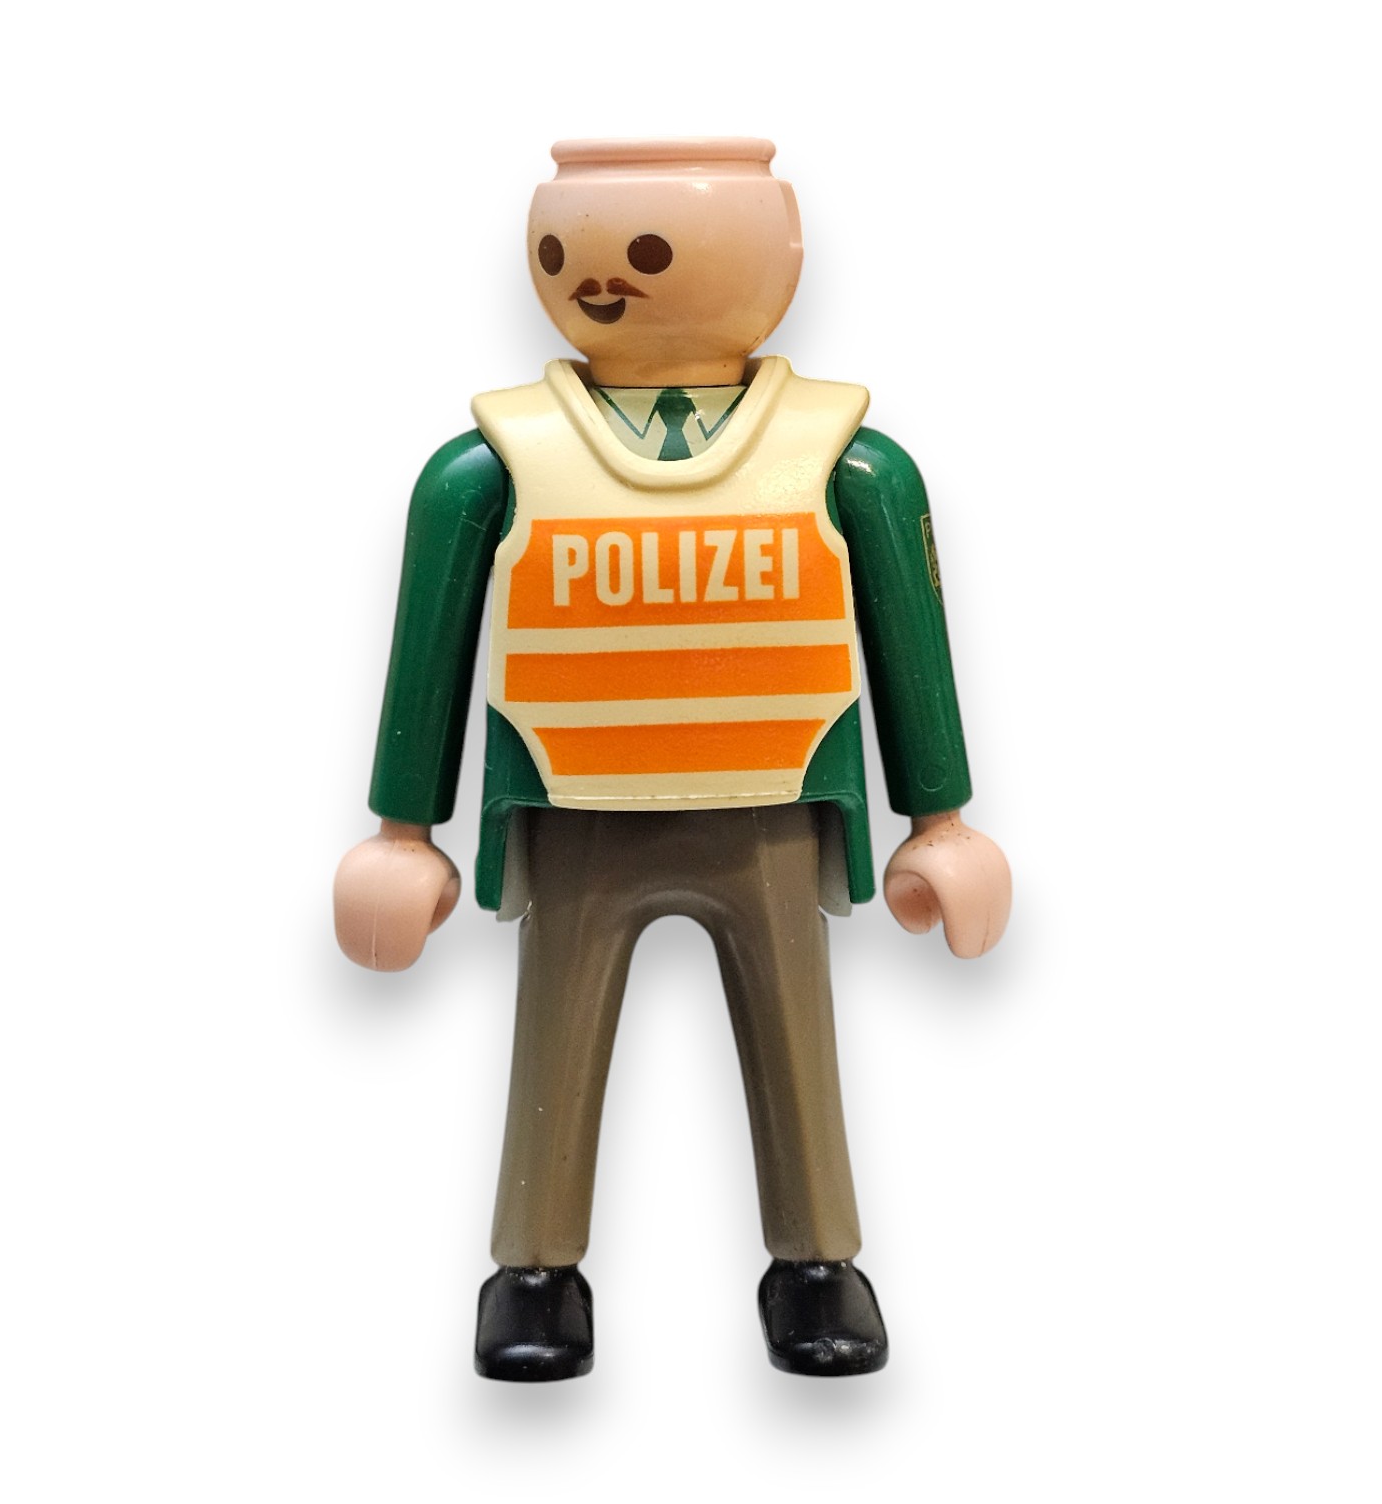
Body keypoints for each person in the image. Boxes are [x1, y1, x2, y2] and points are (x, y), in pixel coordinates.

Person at [334, 138, 1011, 1381]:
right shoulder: (496, 461)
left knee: (797, 1037)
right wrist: (400, 829)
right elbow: (428, 638)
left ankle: (817, 1261)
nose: (604, 280)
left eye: (648, 251)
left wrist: (941, 818)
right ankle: (534, 1268)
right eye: (568, 250)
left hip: (771, 800)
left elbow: (909, 636)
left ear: (780, 254)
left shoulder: (841, 457)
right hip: (574, 802)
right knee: (554, 1035)